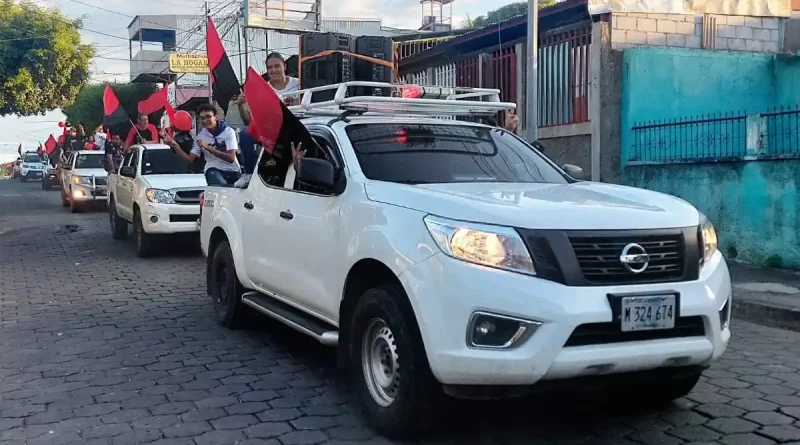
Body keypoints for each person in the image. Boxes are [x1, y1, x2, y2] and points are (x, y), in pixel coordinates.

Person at [164, 104, 241, 186]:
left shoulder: (228, 132)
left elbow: (231, 158)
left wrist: (208, 147)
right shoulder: (201, 136)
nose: (205, 120)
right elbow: (190, 159)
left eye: (208, 117)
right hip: (214, 170)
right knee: (219, 189)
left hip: (233, 170)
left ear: (216, 117)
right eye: (202, 118)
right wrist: (174, 145)